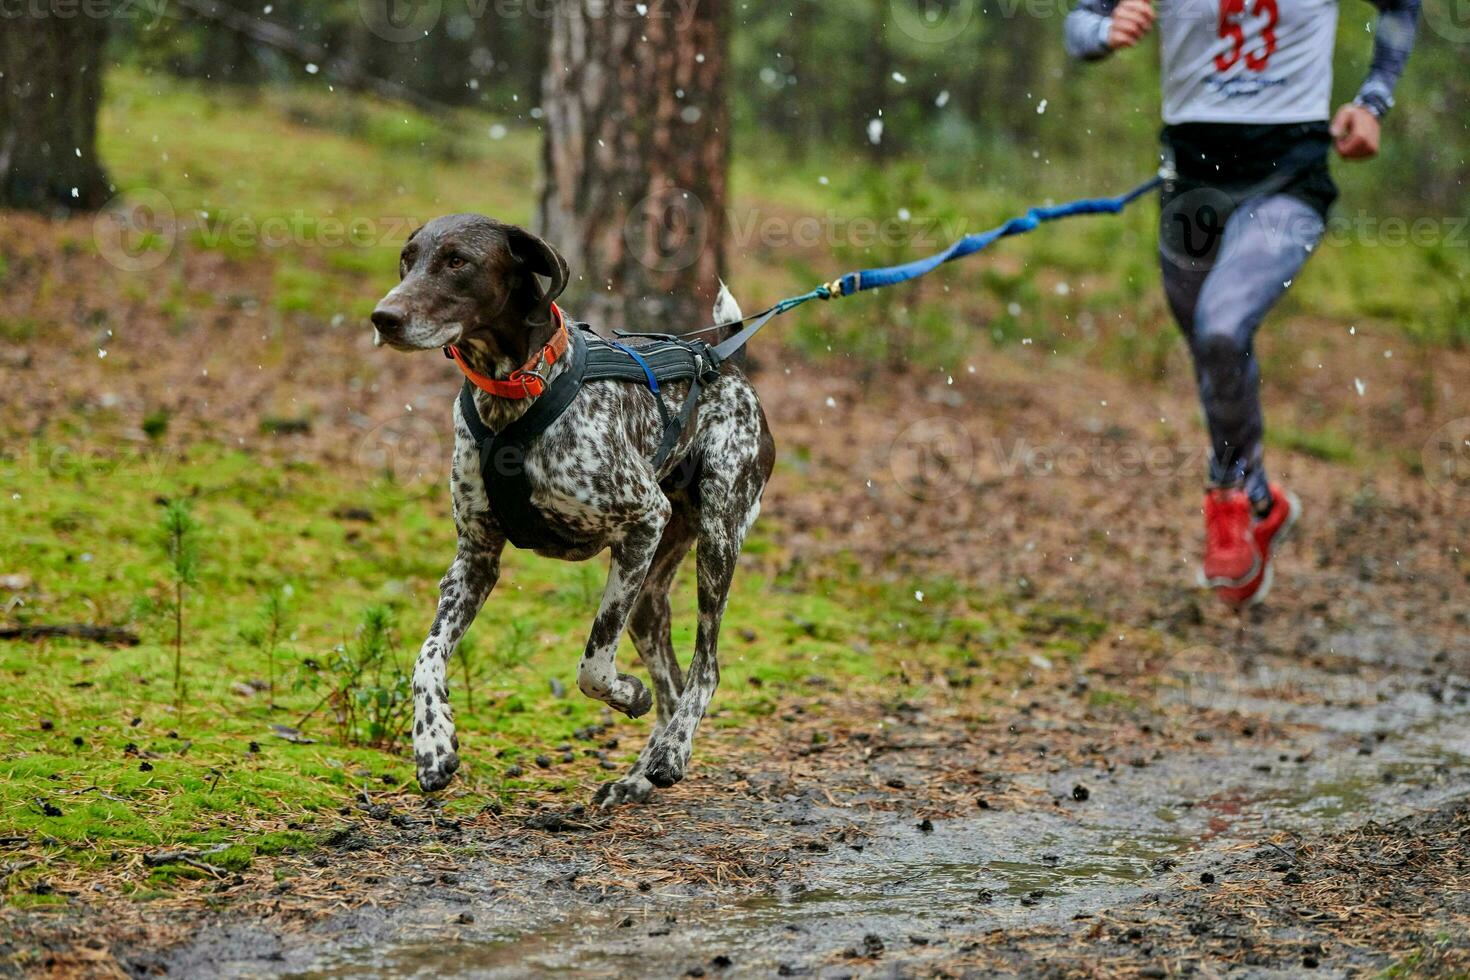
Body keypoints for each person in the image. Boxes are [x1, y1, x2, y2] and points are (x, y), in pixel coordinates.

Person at [1064, 0, 1421, 608]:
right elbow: (1079, 26)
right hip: (1190, 180)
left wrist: (1373, 100)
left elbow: (1401, 7)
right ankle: (1262, 500)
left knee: (1222, 329)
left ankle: (1226, 495)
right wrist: (1105, 31)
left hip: (1289, 177)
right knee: (1212, 353)